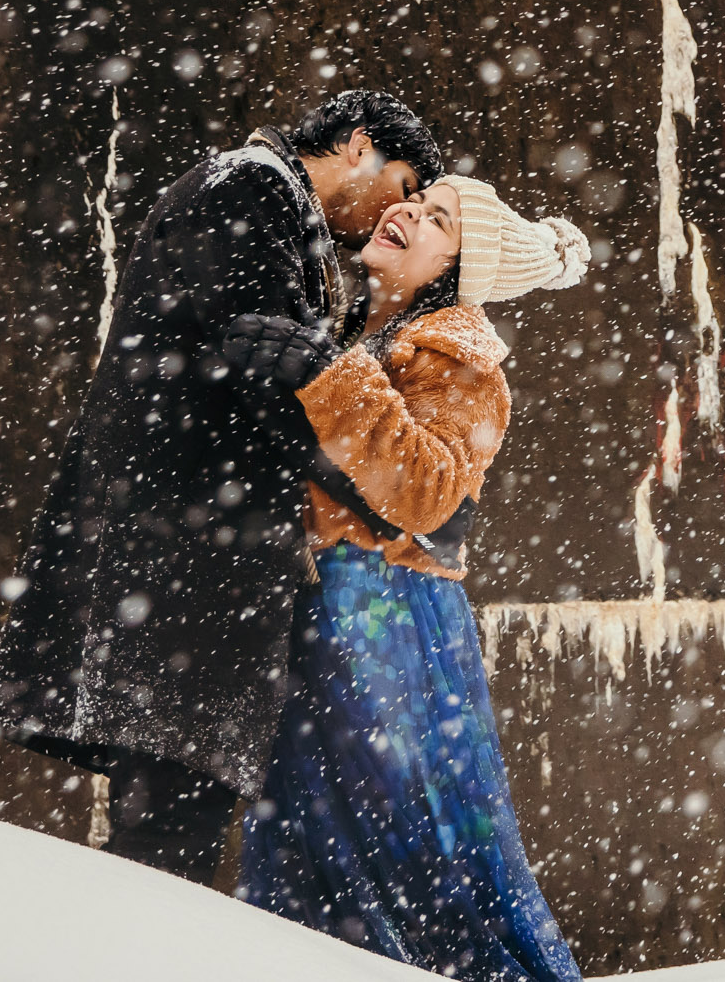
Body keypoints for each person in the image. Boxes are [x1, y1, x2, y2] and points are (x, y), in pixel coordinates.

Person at [0, 91, 444, 883]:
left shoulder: (265, 202)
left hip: (181, 576)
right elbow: (259, 371)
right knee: (168, 844)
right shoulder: (250, 186)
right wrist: (352, 449)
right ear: (359, 144)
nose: (388, 217)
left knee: (171, 828)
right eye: (403, 187)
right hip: (180, 578)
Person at [232, 174, 589, 981]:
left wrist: (329, 373)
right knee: (311, 859)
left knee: (413, 866)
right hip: (332, 619)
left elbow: (427, 490)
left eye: (438, 220)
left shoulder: (465, 362)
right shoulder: (368, 337)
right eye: (417, 199)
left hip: (386, 626)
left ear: (455, 272)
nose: (407, 212)